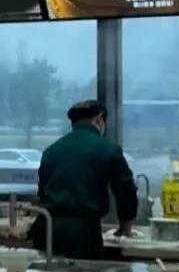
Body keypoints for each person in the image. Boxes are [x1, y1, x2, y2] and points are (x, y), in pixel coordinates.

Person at [31, 99, 138, 260]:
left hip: (45, 229)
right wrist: (125, 228)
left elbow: (42, 191)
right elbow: (126, 192)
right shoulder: (108, 150)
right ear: (99, 119)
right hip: (82, 234)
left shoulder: (51, 151)